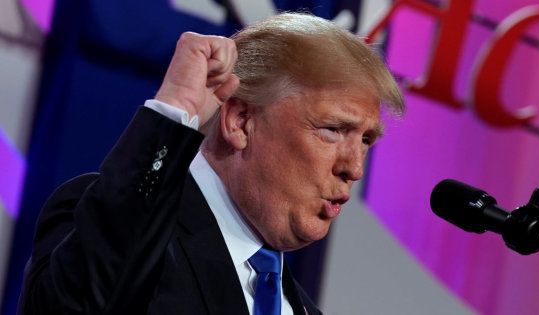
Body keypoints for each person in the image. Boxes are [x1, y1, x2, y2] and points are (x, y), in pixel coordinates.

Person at [18, 12, 404, 315]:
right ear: (239, 121)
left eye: (367, 140)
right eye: (333, 129)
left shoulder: (301, 308)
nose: (354, 168)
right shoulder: (112, 221)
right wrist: (174, 117)